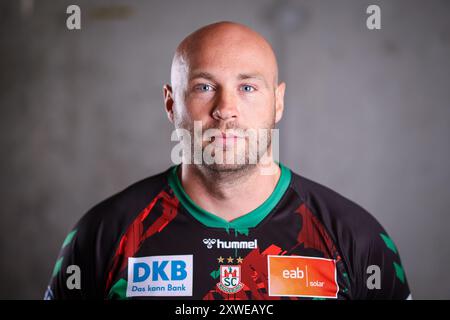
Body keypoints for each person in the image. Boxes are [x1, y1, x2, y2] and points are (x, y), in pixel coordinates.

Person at [45, 21, 411, 300]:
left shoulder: (355, 237)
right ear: (171, 104)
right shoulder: (104, 234)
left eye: (248, 87)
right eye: (204, 87)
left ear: (278, 102)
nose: (226, 110)